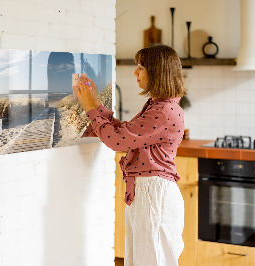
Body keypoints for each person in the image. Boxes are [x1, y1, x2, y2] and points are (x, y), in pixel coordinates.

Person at [74, 44, 186, 266]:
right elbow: (124, 133)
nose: (135, 72)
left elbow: (117, 141)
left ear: (157, 72)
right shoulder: (159, 106)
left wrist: (89, 107)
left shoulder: (163, 111)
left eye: (141, 67)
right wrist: (96, 103)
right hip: (149, 193)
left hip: (154, 195)